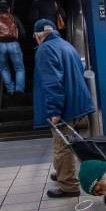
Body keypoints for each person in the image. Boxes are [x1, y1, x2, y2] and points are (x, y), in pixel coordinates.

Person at [32, 19, 94, 198]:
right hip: (76, 102)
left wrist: (54, 111)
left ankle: (68, 185)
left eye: (35, 36)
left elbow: (52, 82)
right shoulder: (66, 45)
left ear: (39, 35)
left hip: (65, 107)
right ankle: (62, 172)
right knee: (65, 143)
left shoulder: (45, 49)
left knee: (62, 146)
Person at [0, 0, 26, 95]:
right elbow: (23, 32)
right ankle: (19, 89)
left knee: (3, 68)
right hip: (14, 44)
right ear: (8, 9)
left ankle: (10, 90)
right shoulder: (14, 18)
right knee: (19, 68)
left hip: (0, 45)